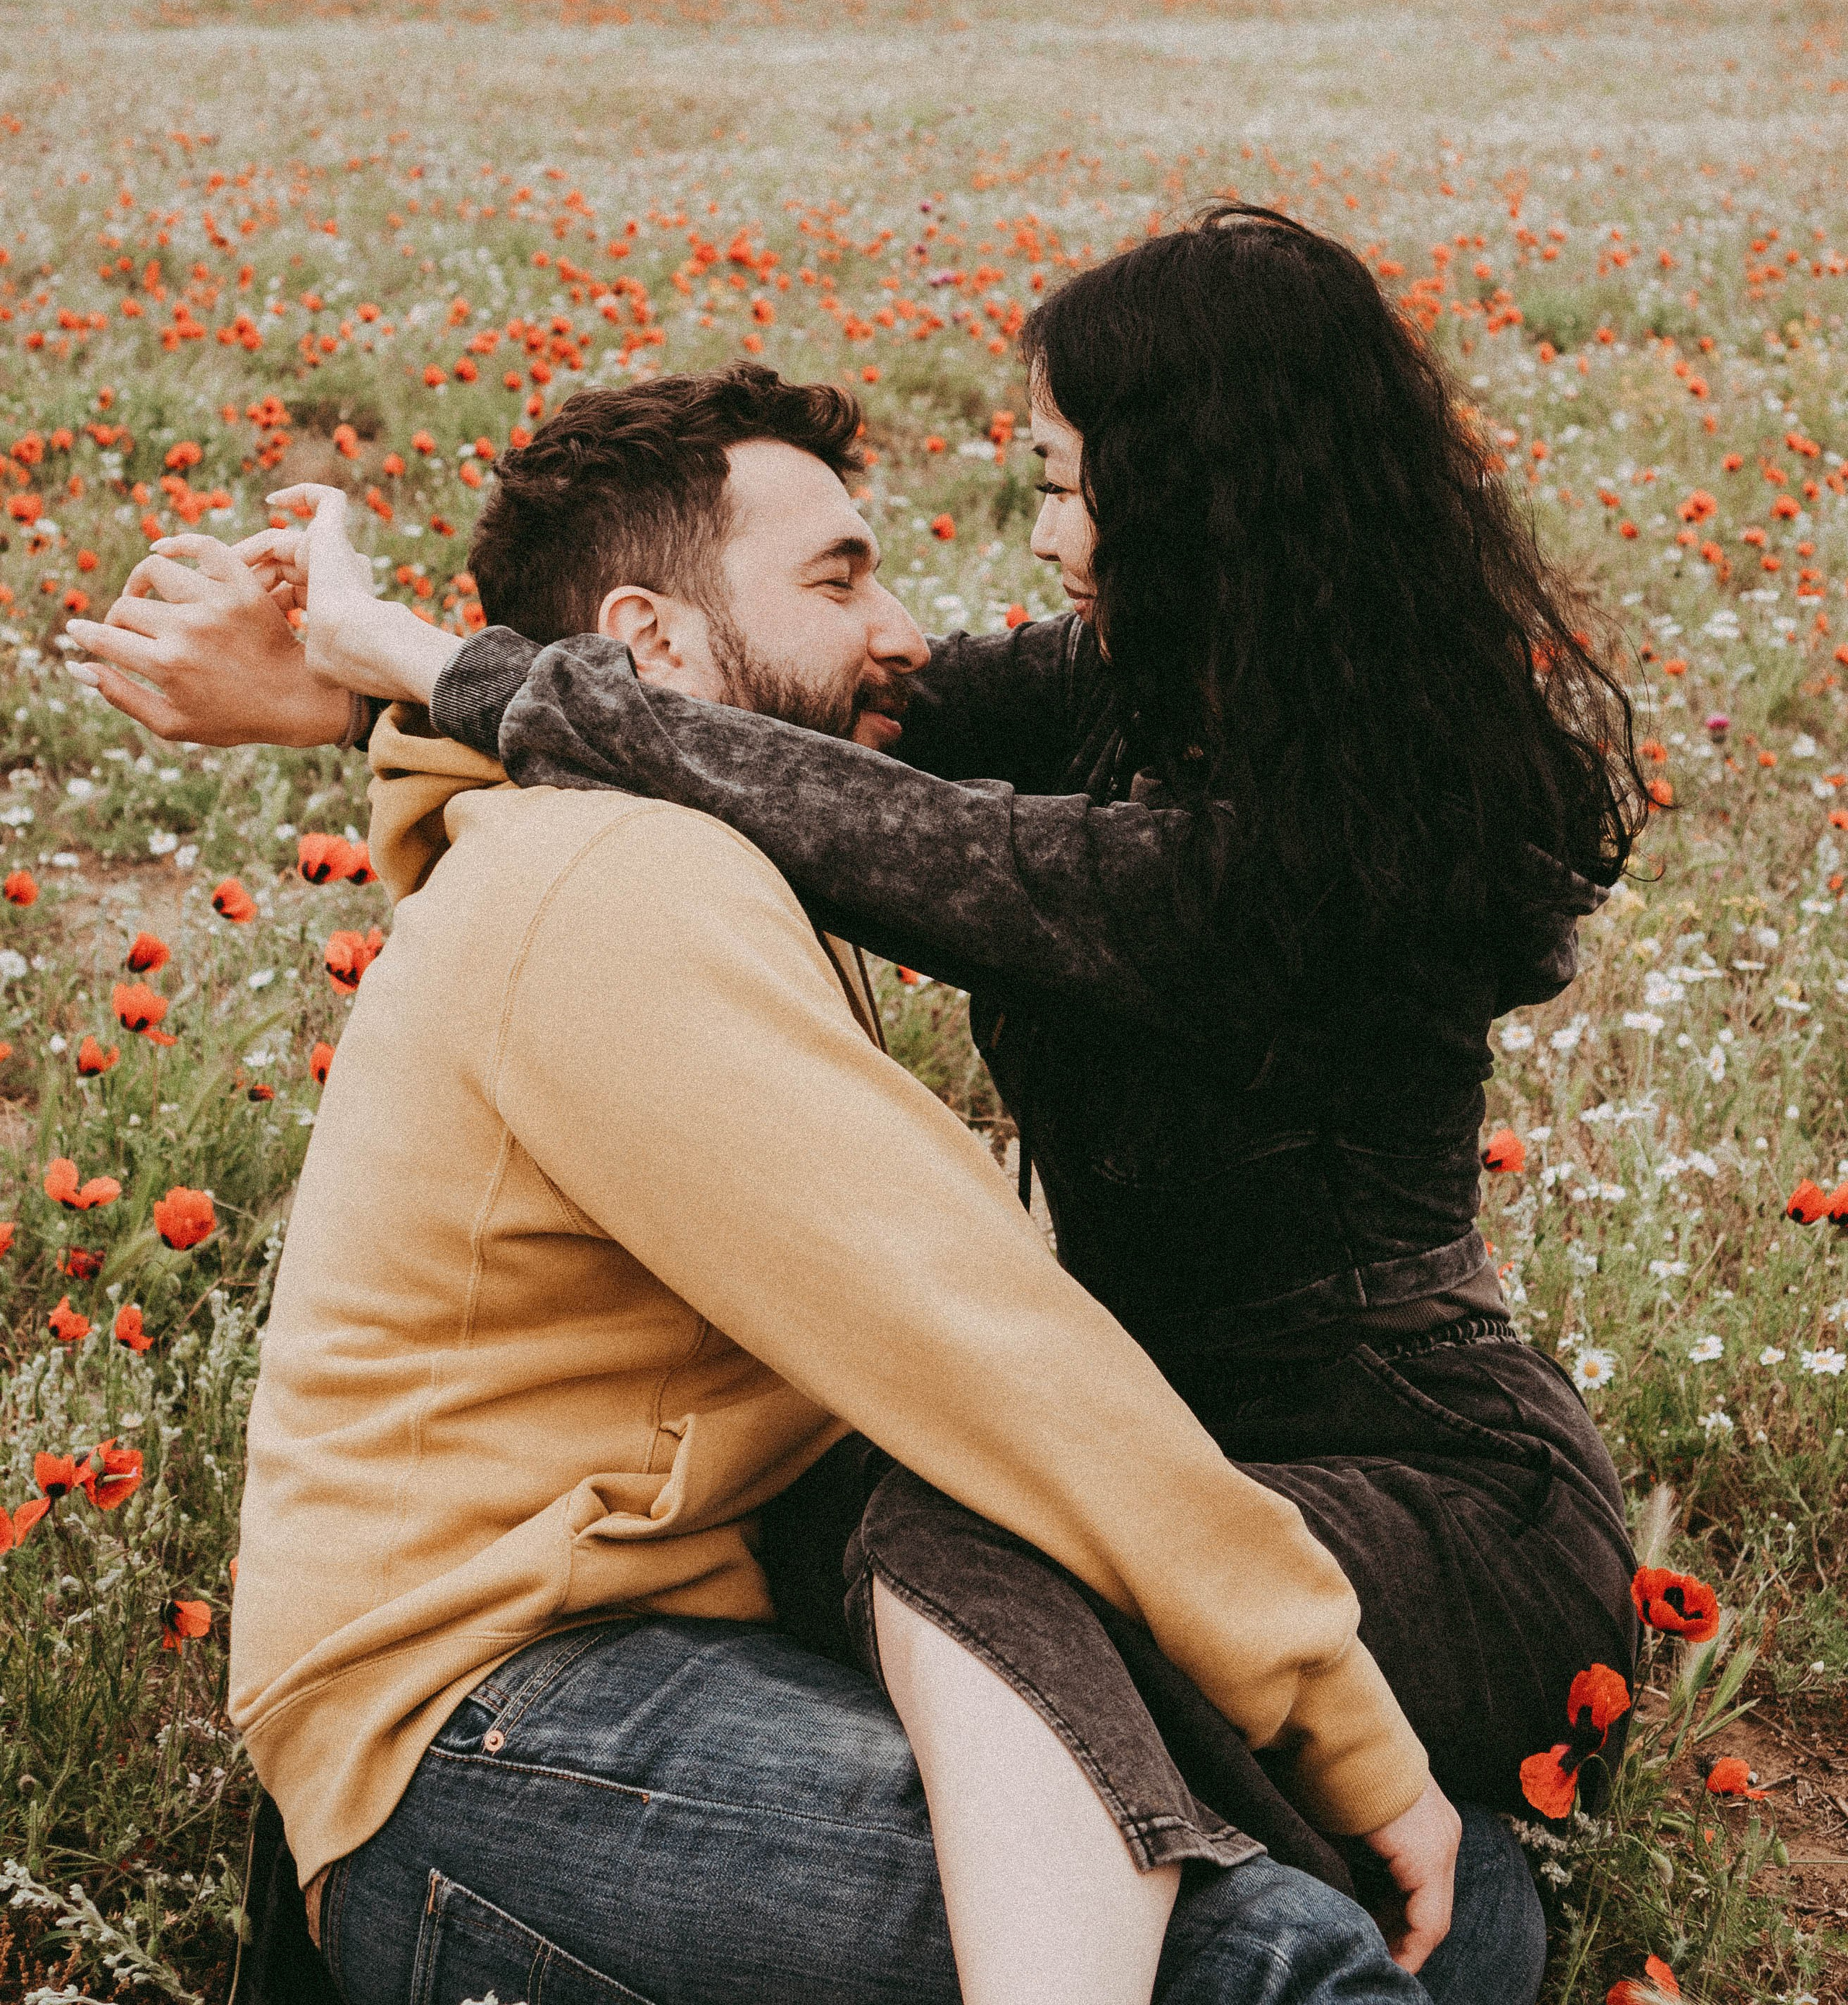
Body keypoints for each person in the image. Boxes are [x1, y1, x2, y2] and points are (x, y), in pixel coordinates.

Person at [71, 368, 1488, 2005]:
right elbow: (976, 1334)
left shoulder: (660, 849)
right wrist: (1329, 1703)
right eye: (838, 578)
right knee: (1259, 1962)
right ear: (648, 647)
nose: (902, 631)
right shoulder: (615, 881)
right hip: (481, 1731)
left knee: (1445, 1909)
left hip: (667, 1647)